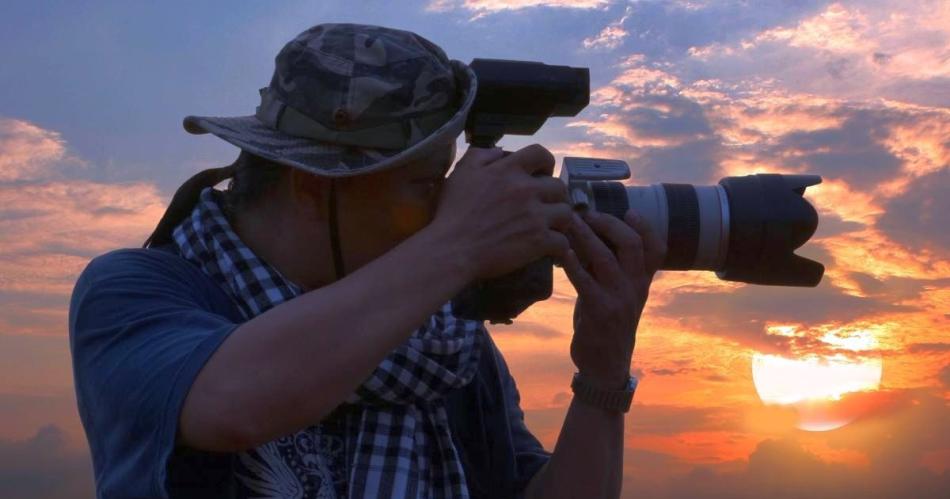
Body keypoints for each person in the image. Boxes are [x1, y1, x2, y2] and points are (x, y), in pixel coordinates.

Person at [68, 23, 664, 499]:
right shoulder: (136, 292)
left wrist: (603, 374)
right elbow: (229, 404)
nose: (449, 206)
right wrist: (459, 245)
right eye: (427, 185)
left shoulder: (447, 346)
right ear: (312, 186)